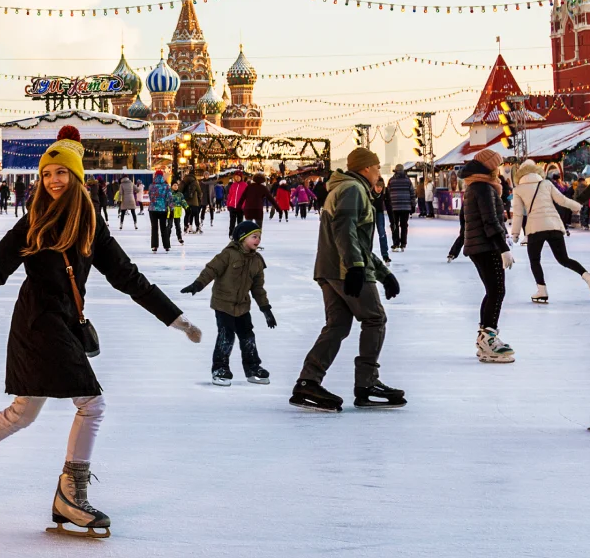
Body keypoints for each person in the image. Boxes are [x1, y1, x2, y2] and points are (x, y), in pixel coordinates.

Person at [0, 126, 200, 539]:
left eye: (61, 173)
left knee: (23, 412)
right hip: (37, 324)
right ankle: (71, 493)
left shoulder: (90, 223)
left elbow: (127, 276)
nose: (53, 180)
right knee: (92, 405)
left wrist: (173, 317)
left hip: (64, 322)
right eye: (47, 173)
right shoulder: (34, 221)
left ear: (76, 177)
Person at [291, 147, 403, 411]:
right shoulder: (352, 189)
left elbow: (359, 242)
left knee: (338, 325)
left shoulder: (345, 188)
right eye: (376, 168)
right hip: (344, 269)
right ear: (365, 168)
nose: (378, 172)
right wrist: (354, 268)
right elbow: (346, 231)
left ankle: (309, 381)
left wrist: (384, 274)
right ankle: (367, 383)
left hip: (330, 268)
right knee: (375, 318)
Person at [181, 220, 273, 385]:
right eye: (254, 236)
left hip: (242, 306)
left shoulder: (257, 261)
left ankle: (253, 368)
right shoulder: (228, 254)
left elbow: (258, 288)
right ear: (242, 238)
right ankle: (220, 368)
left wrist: (266, 309)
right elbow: (211, 270)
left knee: (248, 337)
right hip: (223, 304)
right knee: (226, 336)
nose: (258, 240)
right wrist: (198, 285)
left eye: (259, 237)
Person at [458, 150, 516, 363]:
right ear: (491, 167)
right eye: (497, 165)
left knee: (493, 290)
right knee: (497, 290)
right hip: (486, 246)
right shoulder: (483, 188)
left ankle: (485, 336)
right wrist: (503, 248)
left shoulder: (476, 186)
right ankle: (488, 339)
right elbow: (490, 221)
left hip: (479, 245)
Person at [510, 159, 589, 305]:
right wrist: (577, 206)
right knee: (564, 259)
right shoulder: (545, 184)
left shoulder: (519, 189)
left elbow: (518, 214)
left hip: (535, 229)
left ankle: (542, 290)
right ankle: (589, 277)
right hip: (554, 225)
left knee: (535, 260)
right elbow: (562, 200)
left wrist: (515, 234)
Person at [386, 165, 414, 250]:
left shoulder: (391, 181)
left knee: (394, 225)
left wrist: (388, 205)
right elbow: (412, 194)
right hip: (406, 206)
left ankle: (396, 243)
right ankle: (403, 243)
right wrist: (412, 206)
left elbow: (388, 193)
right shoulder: (407, 180)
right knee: (404, 225)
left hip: (394, 207)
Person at [148, 171, 175, 251]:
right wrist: (171, 208)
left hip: (152, 209)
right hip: (163, 209)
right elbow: (170, 198)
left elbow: (150, 196)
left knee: (154, 228)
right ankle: (166, 246)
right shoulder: (166, 186)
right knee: (163, 228)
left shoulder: (151, 186)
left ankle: (154, 246)